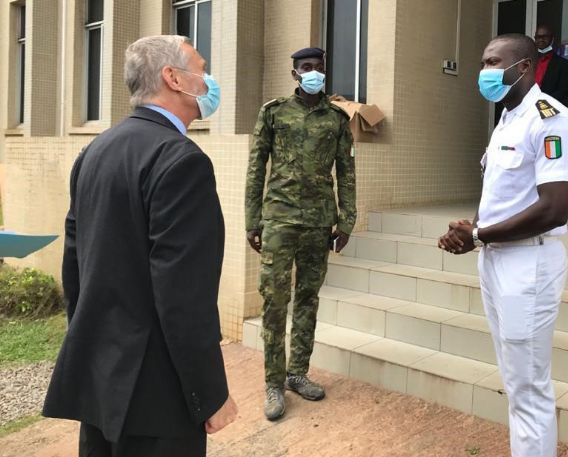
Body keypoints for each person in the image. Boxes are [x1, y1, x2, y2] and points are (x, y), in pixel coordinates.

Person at [43, 35, 237, 457]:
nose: (208, 81)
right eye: (201, 69)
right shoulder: (181, 160)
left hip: (101, 382)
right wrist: (210, 394)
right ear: (174, 78)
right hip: (156, 395)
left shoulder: (96, 151)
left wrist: (90, 346)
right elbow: (183, 296)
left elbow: (75, 268)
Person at [438, 34, 568, 457]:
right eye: (483, 62)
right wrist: (472, 229)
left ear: (522, 67)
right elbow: (504, 196)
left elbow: (554, 208)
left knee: (528, 388)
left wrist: (480, 235)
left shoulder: (550, 119)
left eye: (492, 62)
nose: (484, 72)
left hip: (529, 264)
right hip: (497, 259)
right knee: (514, 381)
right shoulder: (506, 119)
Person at [245, 47, 356, 421]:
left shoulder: (338, 118)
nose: (314, 73)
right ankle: (274, 383)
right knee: (274, 302)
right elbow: (256, 167)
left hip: (318, 222)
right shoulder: (274, 112)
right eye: (307, 68)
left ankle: (297, 373)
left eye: (319, 68)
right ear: (294, 73)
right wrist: (252, 219)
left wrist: (347, 220)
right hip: (279, 219)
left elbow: (347, 172)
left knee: (307, 299)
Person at [534, 24, 568, 105]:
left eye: (545, 36)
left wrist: (542, 102)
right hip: (527, 106)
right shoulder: (528, 61)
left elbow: (564, 90)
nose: (541, 39)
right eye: (538, 37)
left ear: (552, 38)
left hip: (550, 106)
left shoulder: (563, 63)